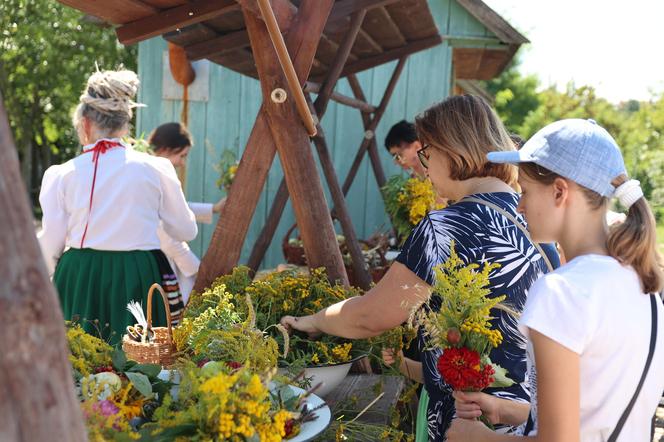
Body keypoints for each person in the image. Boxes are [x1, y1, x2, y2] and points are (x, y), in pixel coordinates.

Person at [282, 95, 559, 441]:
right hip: (531, 419)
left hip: (469, 424)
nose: (425, 166)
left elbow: (370, 315)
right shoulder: (537, 222)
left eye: (427, 153)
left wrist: (315, 320)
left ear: (451, 149)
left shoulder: (445, 227)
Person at [449, 119, 664, 441]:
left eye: (525, 191)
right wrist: (506, 409)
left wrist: (476, 437)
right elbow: (598, 411)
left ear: (560, 191)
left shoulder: (562, 291)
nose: (519, 206)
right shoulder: (642, 282)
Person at [38, 69, 197, 343]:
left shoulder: (61, 174)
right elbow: (186, 230)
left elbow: (51, 244)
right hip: (137, 273)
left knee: (77, 362)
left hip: (78, 275)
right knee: (140, 363)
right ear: (125, 125)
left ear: (85, 124)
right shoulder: (156, 168)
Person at [147, 122, 226, 302]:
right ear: (166, 149)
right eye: (182, 155)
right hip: (159, 260)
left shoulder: (149, 170)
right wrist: (198, 270)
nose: (182, 163)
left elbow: (174, 209)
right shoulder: (155, 174)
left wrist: (213, 209)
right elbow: (165, 236)